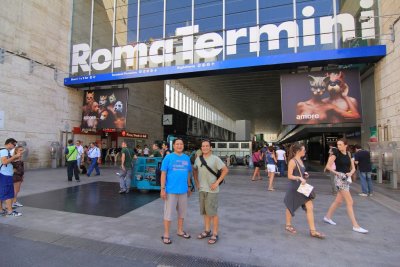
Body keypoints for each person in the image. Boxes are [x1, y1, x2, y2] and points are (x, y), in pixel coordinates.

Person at [324, 139, 368, 234]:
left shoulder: (349, 154)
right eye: (337, 144)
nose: (338, 146)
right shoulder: (336, 154)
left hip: (346, 178)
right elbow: (328, 166)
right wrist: (337, 173)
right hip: (340, 179)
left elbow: (353, 168)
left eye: (340, 145)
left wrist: (350, 173)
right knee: (350, 202)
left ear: (346, 145)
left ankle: (327, 217)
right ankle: (355, 225)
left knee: (338, 201)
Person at [284, 143, 325, 238]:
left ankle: (313, 231)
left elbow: (300, 172)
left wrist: (305, 175)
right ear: (298, 151)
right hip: (295, 187)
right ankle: (288, 225)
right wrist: (300, 177)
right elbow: (289, 175)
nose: (305, 151)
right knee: (290, 206)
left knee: (309, 207)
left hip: (302, 187)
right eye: (304, 150)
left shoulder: (300, 160)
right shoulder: (292, 161)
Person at [193, 140, 228, 244]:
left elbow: (225, 170)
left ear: (210, 147)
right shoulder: (198, 159)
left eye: (207, 146)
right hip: (202, 189)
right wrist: (197, 183)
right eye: (203, 146)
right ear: (201, 148)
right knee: (205, 212)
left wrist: (217, 182)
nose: (205, 148)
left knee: (212, 213)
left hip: (212, 190)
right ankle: (207, 231)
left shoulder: (215, 159)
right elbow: (195, 170)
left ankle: (215, 234)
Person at [160, 138, 192, 245]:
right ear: (173, 146)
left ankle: (180, 230)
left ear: (183, 146)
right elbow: (163, 174)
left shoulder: (186, 158)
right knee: (168, 214)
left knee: (182, 213)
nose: (179, 146)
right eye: (177, 144)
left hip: (183, 191)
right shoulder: (168, 157)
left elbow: (188, 173)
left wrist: (188, 186)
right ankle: (166, 234)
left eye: (181, 144)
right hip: (171, 191)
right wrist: (162, 189)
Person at [0, 138, 23, 216]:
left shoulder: (5, 151)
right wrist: (15, 156)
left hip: (4, 174)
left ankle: (1, 210)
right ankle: (10, 211)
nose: (14, 146)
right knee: (8, 193)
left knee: (2, 192)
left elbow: (7, 161)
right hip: (5, 175)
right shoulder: (4, 151)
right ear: (10, 143)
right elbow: (4, 162)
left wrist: (15, 158)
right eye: (14, 144)